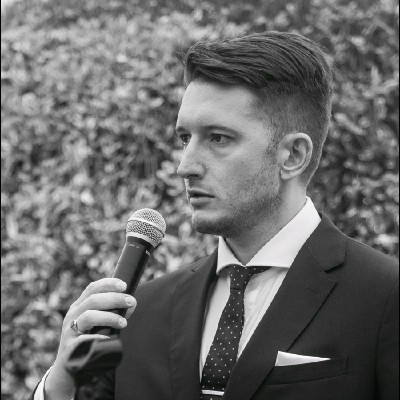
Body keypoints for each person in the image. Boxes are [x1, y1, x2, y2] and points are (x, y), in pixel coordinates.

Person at [30, 31, 398, 400]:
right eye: (184, 138)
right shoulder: (138, 313)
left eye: (218, 138)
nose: (184, 166)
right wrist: (61, 384)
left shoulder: (384, 297)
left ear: (293, 156)